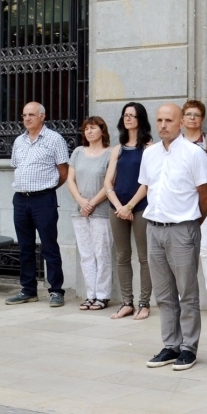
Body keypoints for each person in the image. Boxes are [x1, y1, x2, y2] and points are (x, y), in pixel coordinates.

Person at [140, 104, 207, 372]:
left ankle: (189, 348)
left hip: (183, 229)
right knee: (163, 293)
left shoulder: (194, 154)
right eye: (159, 120)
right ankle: (171, 345)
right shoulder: (149, 154)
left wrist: (191, 224)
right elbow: (148, 188)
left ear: (181, 122)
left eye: (169, 120)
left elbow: (206, 196)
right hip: (154, 227)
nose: (163, 125)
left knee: (187, 292)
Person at [5, 102, 70, 307]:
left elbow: (64, 172)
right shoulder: (19, 141)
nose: (27, 118)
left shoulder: (54, 139)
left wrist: (46, 189)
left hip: (43, 199)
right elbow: (17, 167)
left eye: (31, 114)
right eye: (24, 115)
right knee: (25, 247)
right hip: (20, 199)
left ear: (42, 116)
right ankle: (28, 290)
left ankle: (56, 291)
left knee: (49, 246)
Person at [104, 102, 154, 320]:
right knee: (122, 256)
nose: (128, 118)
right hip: (117, 208)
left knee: (144, 257)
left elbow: (148, 182)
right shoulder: (118, 149)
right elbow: (108, 182)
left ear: (140, 119)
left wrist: (130, 206)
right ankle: (126, 303)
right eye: (125, 115)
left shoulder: (149, 148)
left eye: (132, 115)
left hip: (140, 207)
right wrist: (119, 207)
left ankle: (144, 303)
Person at [181, 99, 207, 317]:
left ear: (202, 118)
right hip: (180, 204)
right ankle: (184, 297)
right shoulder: (176, 140)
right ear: (182, 118)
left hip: (202, 201)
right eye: (188, 114)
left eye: (196, 114)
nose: (192, 118)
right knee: (182, 253)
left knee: (206, 249)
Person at [67, 117, 112, 310]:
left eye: (93, 128)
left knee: (102, 254)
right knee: (86, 254)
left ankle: (102, 295)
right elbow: (70, 180)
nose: (89, 132)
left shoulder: (110, 153)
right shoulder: (78, 152)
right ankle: (90, 294)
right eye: (86, 129)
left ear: (102, 130)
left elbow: (110, 183)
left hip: (100, 211)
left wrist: (92, 203)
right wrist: (81, 201)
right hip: (79, 211)